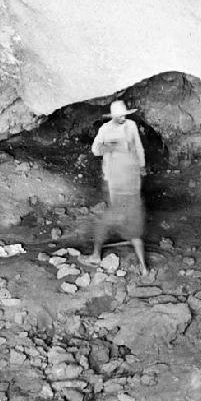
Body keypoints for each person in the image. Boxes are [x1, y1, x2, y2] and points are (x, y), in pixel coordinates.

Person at [84, 100, 148, 275]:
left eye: (124, 116)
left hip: (130, 183)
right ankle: (100, 253)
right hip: (115, 181)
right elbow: (95, 150)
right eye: (119, 117)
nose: (122, 119)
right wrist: (112, 146)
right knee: (120, 217)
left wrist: (141, 166)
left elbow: (138, 147)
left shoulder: (131, 125)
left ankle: (142, 266)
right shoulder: (105, 130)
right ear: (112, 116)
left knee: (115, 221)